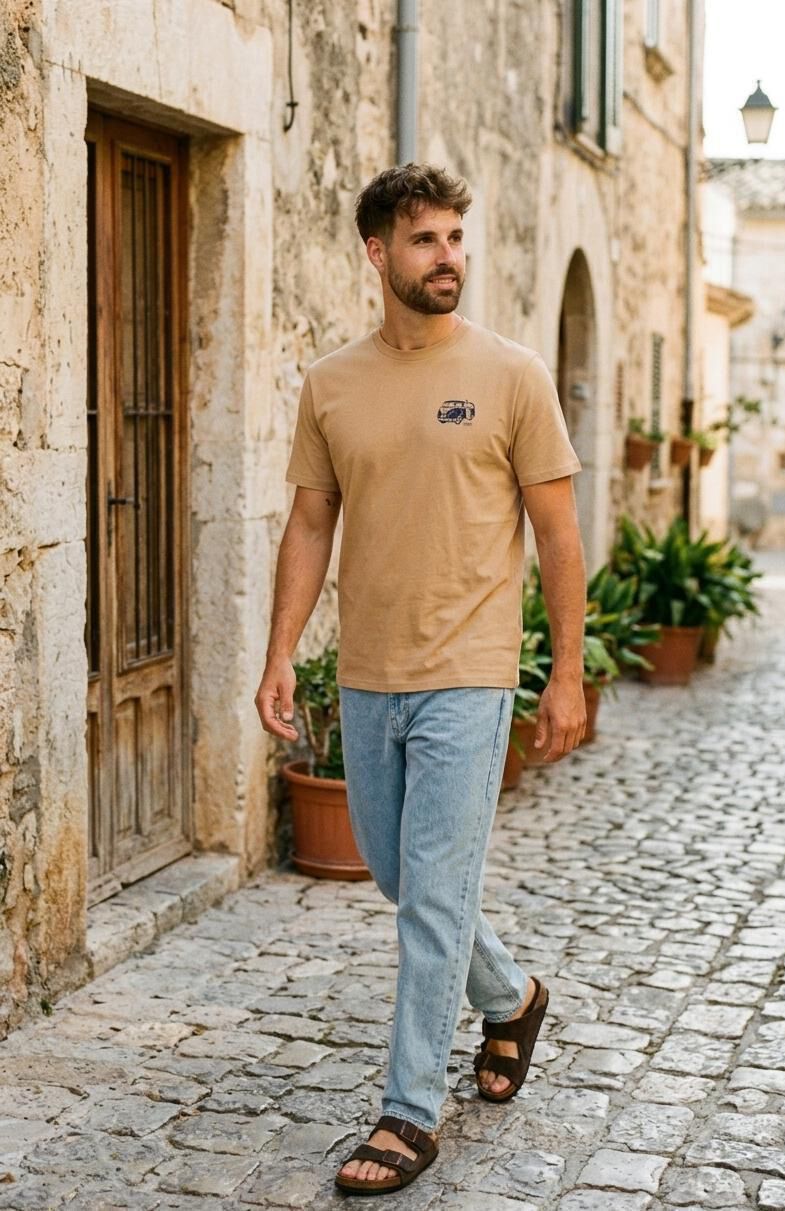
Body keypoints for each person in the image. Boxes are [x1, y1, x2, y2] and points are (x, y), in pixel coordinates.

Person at [255, 163, 587, 1196]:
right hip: (368, 671)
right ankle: (513, 996)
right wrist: (279, 651)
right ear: (377, 253)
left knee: (432, 895)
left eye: (454, 237)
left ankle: (408, 1110)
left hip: (470, 671)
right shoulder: (331, 383)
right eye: (425, 240)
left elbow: (557, 532)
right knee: (401, 876)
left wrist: (564, 672)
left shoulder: (511, 375)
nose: (449, 257)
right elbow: (311, 520)